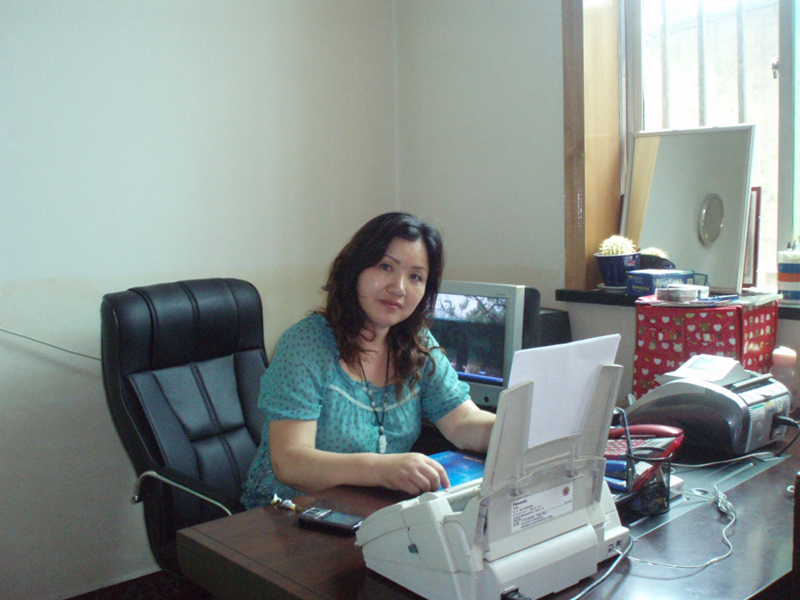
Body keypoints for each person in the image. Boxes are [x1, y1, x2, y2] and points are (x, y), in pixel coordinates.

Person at [241, 212, 496, 508]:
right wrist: (382, 469)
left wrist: (515, 428)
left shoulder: (418, 344)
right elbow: (291, 463)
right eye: (386, 267)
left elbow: (462, 421)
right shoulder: (307, 343)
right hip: (285, 513)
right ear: (355, 270)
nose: (399, 287)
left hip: (369, 509)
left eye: (415, 276)